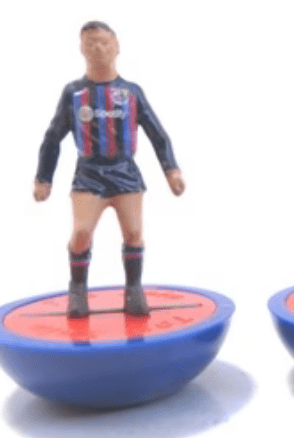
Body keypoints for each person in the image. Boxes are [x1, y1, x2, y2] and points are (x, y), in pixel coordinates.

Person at [34, 21, 185, 318]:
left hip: (125, 172)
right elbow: (53, 137)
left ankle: (134, 289)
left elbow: (157, 134)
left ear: (117, 47)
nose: (98, 49)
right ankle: (78, 290)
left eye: (104, 43)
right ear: (81, 49)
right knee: (81, 232)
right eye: (90, 43)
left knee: (133, 233)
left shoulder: (131, 92)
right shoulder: (74, 93)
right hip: (89, 174)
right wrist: (43, 177)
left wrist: (172, 171)